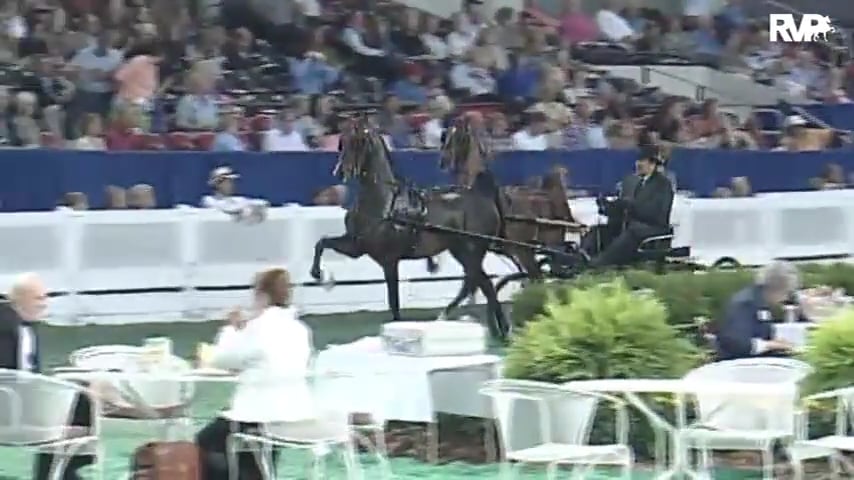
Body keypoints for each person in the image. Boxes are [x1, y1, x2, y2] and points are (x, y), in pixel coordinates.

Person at [196, 268, 314, 480]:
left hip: (258, 414)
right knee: (254, 447)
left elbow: (221, 359)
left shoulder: (258, 327)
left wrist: (232, 329)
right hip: (293, 411)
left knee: (205, 442)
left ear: (261, 296)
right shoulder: (300, 329)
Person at [0, 273, 94, 480]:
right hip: (12, 411)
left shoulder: (15, 323)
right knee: (85, 398)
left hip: (11, 403)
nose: (45, 304)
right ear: (18, 299)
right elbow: (18, 375)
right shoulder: (17, 330)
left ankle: (60, 469)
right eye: (38, 298)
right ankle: (62, 470)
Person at [588, 143, 674, 267]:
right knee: (600, 230)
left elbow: (656, 213)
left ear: (652, 164)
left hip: (655, 227)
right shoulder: (637, 183)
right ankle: (584, 256)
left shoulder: (663, 185)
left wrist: (629, 205)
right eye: (637, 161)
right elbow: (626, 207)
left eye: (642, 161)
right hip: (634, 224)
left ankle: (600, 263)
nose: (638, 164)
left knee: (632, 231)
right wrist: (607, 207)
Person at [715, 261, 806, 361]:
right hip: (738, 365)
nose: (786, 298)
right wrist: (771, 345)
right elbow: (737, 343)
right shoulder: (745, 304)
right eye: (787, 292)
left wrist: (776, 343)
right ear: (776, 288)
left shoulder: (761, 302)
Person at [201, 166, 268, 223]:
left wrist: (252, 208)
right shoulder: (208, 200)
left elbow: (263, 203)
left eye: (231, 182)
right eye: (227, 182)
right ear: (217, 184)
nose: (231, 184)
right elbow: (226, 208)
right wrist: (243, 209)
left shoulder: (238, 200)